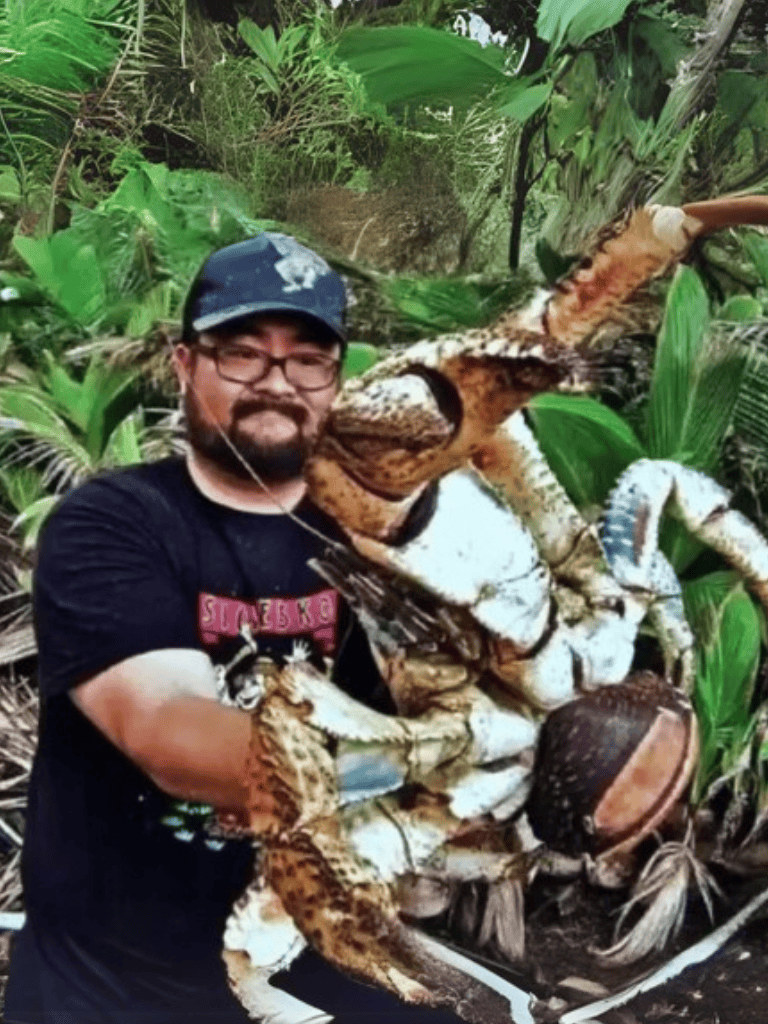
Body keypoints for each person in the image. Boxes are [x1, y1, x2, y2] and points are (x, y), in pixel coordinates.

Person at [2, 234, 466, 1024]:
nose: (276, 383)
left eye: (307, 359)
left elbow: (477, 673)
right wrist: (453, 756)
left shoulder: (384, 537)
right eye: (243, 354)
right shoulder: (113, 523)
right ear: (186, 366)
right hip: (111, 980)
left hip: (316, 945)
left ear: (337, 379)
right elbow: (168, 731)